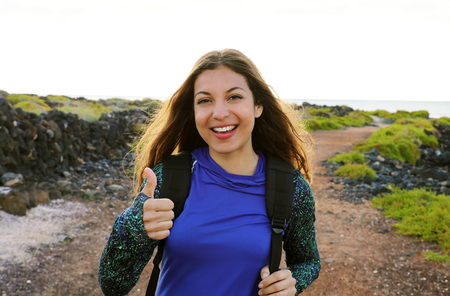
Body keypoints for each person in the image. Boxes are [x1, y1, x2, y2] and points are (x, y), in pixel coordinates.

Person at [98, 49, 320, 296]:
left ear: (258, 106)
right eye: (205, 100)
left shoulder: (290, 188)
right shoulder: (168, 177)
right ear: (193, 111)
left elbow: (308, 262)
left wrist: (292, 283)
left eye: (234, 97)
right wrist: (134, 226)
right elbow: (112, 285)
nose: (220, 113)